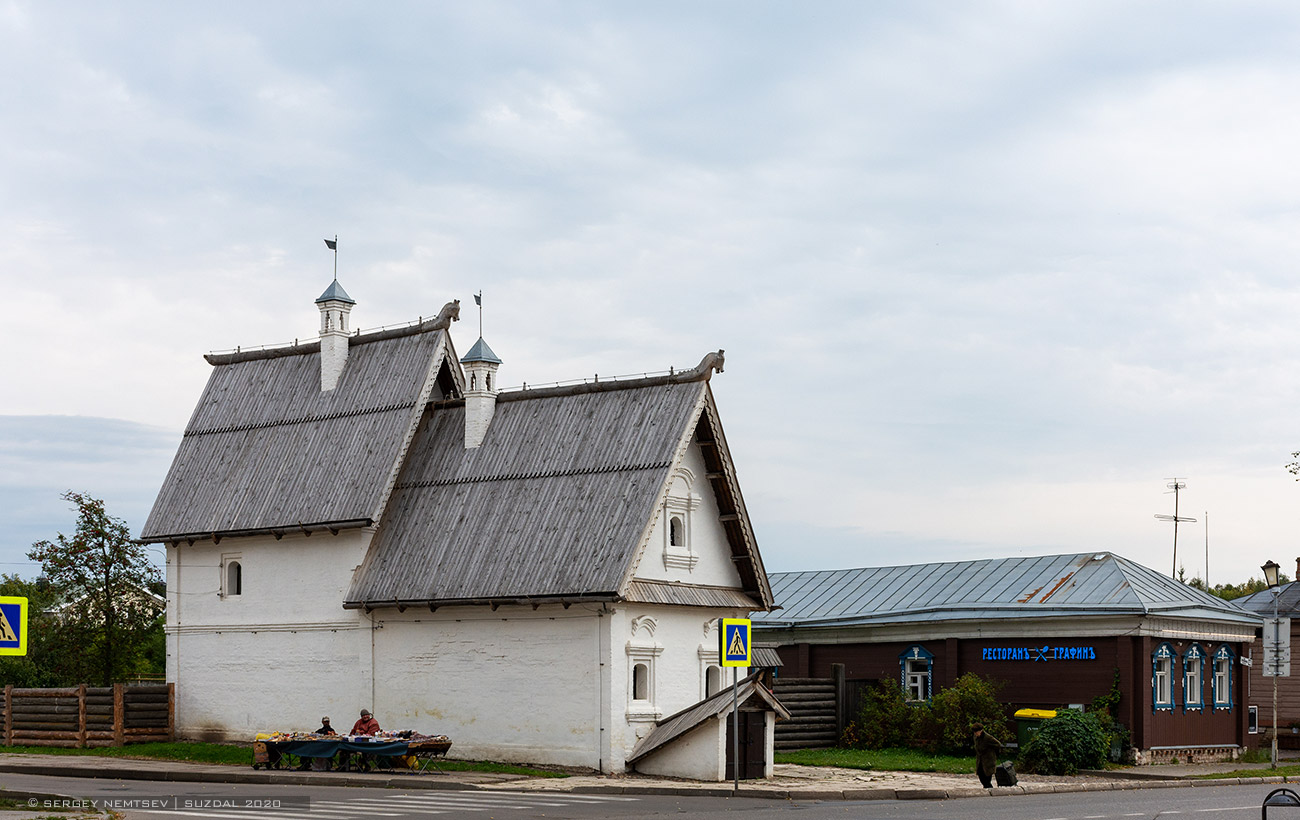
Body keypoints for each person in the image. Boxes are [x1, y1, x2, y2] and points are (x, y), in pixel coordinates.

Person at [972, 723, 1002, 788]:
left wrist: (994, 753)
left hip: (988, 761)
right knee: (981, 776)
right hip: (980, 760)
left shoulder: (987, 737)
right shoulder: (975, 737)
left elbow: (998, 744)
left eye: (977, 732)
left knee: (987, 777)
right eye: (974, 732)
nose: (975, 734)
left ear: (981, 731)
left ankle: (989, 790)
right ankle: (987, 789)